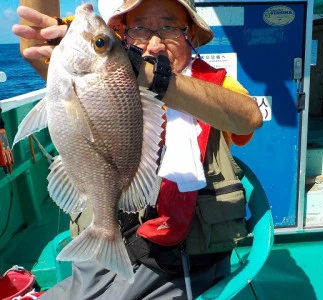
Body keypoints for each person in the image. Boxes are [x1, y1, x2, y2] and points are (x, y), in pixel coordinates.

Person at [12, 0, 263, 299]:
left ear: (191, 35)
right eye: (140, 29)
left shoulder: (217, 87)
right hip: (103, 252)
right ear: (124, 36)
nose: (155, 44)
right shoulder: (91, 76)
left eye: (169, 28)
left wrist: (153, 77)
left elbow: (249, 117)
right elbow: (34, 44)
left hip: (182, 266)